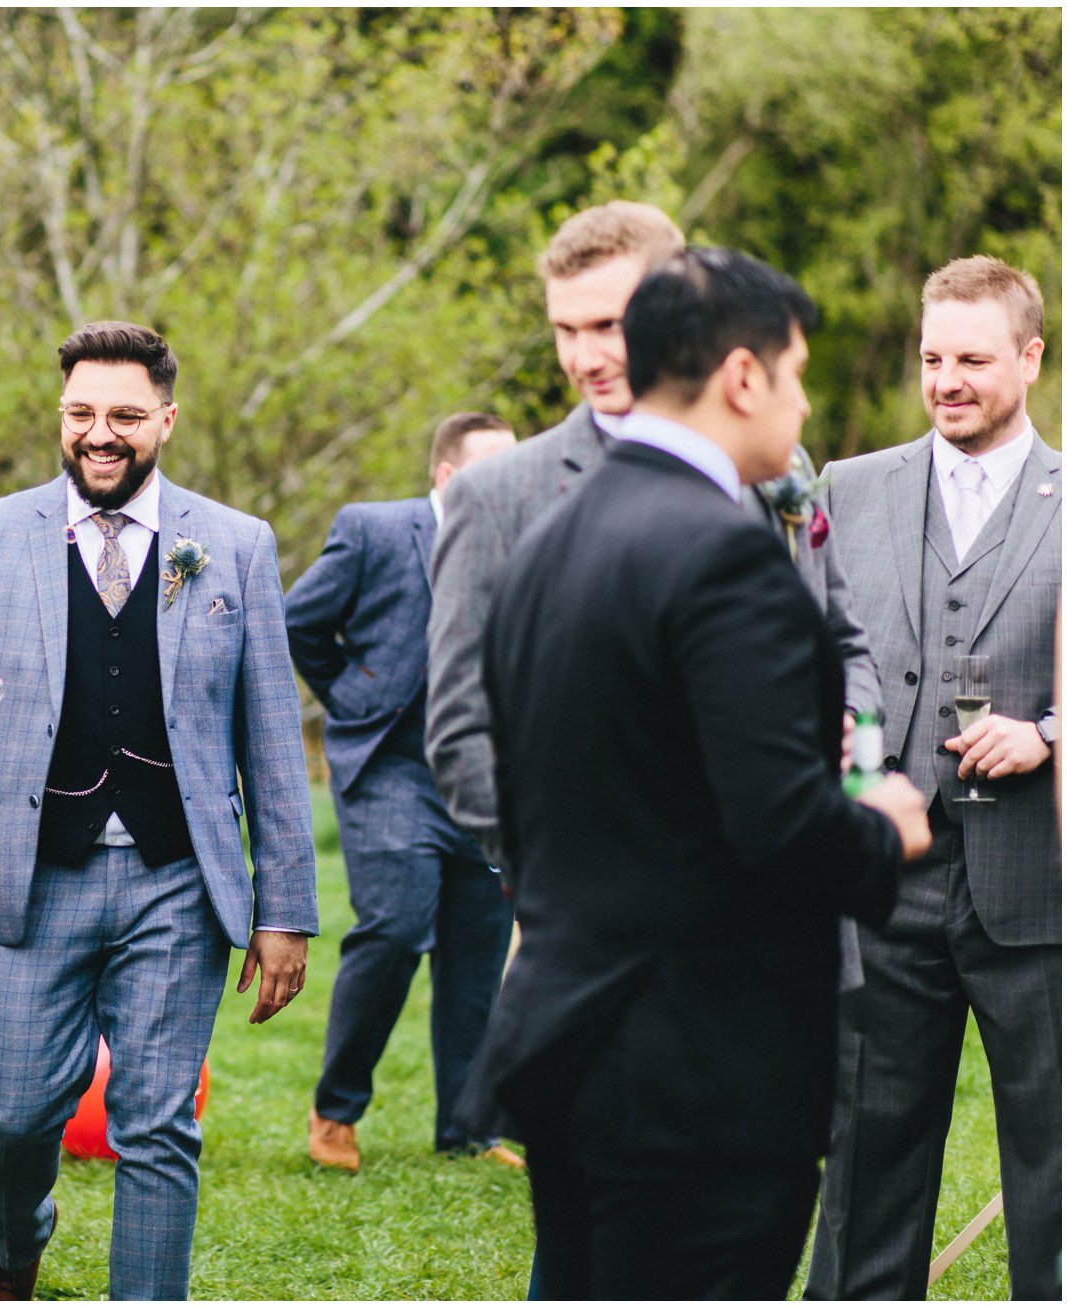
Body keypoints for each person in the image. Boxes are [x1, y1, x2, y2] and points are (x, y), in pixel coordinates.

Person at [459, 247, 930, 1299]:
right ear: (743, 376)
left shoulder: (551, 536)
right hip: (694, 1075)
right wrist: (884, 826)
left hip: (565, 1035)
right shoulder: (721, 552)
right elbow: (776, 829)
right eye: (798, 372)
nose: (802, 399)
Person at [0, 321, 319, 1301]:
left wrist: (283, 909)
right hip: (30, 876)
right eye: (81, 413)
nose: (100, 434)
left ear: (165, 418)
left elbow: (270, 737)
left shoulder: (236, 546)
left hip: (178, 880)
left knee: (158, 1125)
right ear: (61, 417)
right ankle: (19, 1238)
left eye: (124, 415)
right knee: (11, 1117)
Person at [426, 202, 880, 870]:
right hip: (613, 936)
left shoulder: (776, 468)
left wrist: (841, 719)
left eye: (608, 325)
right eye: (565, 330)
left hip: (795, 910)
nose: (585, 358)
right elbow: (462, 735)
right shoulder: (495, 498)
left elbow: (843, 642)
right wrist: (568, 879)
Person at [805, 256, 1061, 1301]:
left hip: (1037, 887)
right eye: (930, 358)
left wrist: (1049, 728)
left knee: (1056, 1165)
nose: (945, 380)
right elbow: (801, 647)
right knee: (867, 1154)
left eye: (971, 359)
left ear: (1031, 358)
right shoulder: (846, 489)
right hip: (885, 878)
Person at [286, 412, 521, 1174]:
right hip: (391, 764)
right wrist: (353, 694)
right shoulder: (376, 531)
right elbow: (301, 622)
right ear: (448, 476)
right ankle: (336, 1109)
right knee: (395, 923)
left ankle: (469, 1126)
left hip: (486, 773)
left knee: (479, 950)